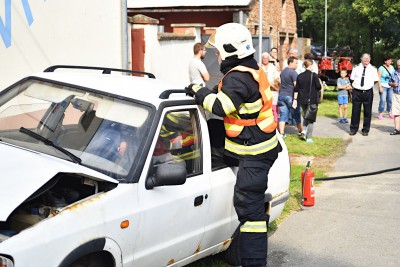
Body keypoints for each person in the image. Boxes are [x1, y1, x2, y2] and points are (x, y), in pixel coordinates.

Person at [186, 23, 279, 267]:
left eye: (219, 51)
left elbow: (220, 107)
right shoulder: (248, 69)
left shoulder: (238, 77)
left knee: (250, 210)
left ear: (230, 50)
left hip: (255, 153)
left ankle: (253, 262)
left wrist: (198, 90)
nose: (217, 55)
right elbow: (229, 101)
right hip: (254, 144)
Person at [349, 53, 379, 136]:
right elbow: (352, 79)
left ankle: (365, 130)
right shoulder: (356, 68)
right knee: (355, 111)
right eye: (365, 59)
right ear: (361, 59)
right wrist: (357, 87)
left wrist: (368, 85)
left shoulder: (373, 69)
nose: (366, 61)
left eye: (368, 59)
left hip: (368, 92)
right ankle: (353, 129)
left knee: (367, 112)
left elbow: (375, 80)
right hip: (357, 92)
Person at [294, 59, 322, 143]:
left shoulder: (299, 76)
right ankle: (309, 137)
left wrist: (295, 99)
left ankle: (304, 131)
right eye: (313, 65)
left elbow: (297, 88)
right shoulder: (314, 75)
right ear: (310, 66)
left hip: (302, 100)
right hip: (312, 100)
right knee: (311, 119)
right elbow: (318, 87)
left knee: (306, 116)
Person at [279, 56, 302, 137]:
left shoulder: (283, 72)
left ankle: (281, 133)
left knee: (283, 114)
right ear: (290, 63)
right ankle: (300, 131)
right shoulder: (293, 73)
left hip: (281, 96)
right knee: (296, 114)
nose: (297, 65)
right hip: (290, 96)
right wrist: (296, 98)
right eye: (296, 63)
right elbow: (296, 86)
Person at [261, 52, 280, 122]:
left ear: (269, 59)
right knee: (264, 108)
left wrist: (275, 85)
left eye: (266, 58)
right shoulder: (260, 67)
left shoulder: (272, 67)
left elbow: (277, 78)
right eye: (263, 58)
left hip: (272, 90)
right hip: (263, 91)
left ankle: (275, 123)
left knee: (274, 107)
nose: (265, 60)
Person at [389, 59, 400, 135]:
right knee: (396, 112)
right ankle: (396, 129)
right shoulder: (394, 73)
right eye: (399, 65)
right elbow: (389, 82)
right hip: (396, 94)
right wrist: (392, 84)